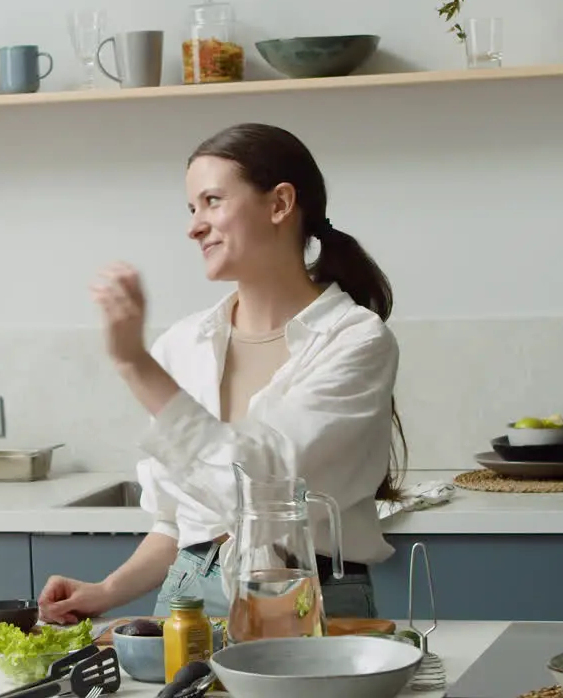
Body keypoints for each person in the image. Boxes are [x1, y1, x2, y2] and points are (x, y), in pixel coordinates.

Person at [38, 122, 407, 626]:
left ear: (279, 204)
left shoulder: (355, 340)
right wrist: (107, 591)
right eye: (192, 208)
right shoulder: (183, 344)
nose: (194, 226)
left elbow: (265, 489)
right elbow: (178, 521)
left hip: (309, 599)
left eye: (212, 201)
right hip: (187, 599)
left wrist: (135, 366)